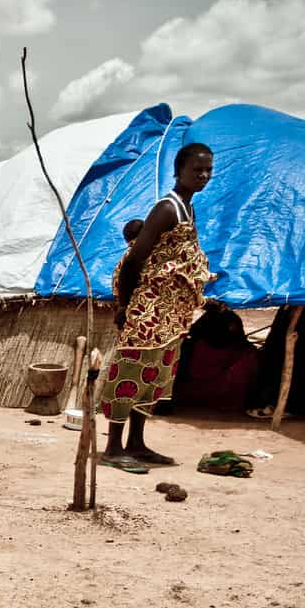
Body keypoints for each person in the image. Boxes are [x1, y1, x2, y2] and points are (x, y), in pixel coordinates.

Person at [102, 142, 214, 465]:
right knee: (131, 371)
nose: (204, 175)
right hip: (148, 310)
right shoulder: (167, 209)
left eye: (208, 170)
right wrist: (124, 307)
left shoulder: (187, 208)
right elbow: (135, 260)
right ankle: (113, 447)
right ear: (179, 171)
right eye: (197, 170)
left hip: (168, 313)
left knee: (153, 375)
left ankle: (136, 442)